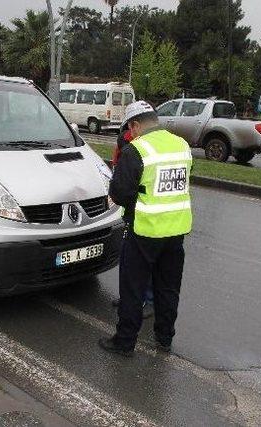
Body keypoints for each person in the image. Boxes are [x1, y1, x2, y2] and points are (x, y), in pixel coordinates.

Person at [99, 101, 193, 356]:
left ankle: (125, 342)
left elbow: (119, 193)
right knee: (168, 288)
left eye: (130, 129)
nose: (130, 134)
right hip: (176, 232)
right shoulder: (181, 145)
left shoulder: (136, 151)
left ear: (136, 125)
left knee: (133, 288)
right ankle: (164, 338)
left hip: (144, 230)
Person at [111, 124, 155, 319]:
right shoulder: (124, 140)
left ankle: (150, 300)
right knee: (127, 259)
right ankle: (128, 296)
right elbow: (117, 164)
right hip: (131, 211)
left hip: (148, 214)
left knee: (147, 262)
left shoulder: (152, 142)